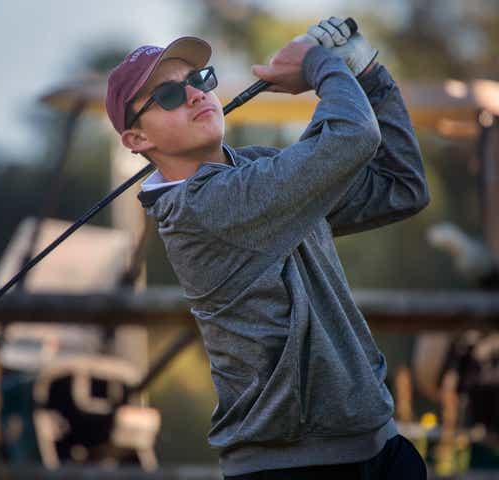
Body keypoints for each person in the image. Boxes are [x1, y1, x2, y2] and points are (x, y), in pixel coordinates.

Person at [105, 16, 429, 479]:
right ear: (137, 139)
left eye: (198, 80)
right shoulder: (204, 207)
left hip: (377, 445)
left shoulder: (255, 170)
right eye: (169, 95)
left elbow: (400, 186)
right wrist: (319, 64)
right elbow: (352, 138)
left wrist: (368, 75)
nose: (197, 94)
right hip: (294, 467)